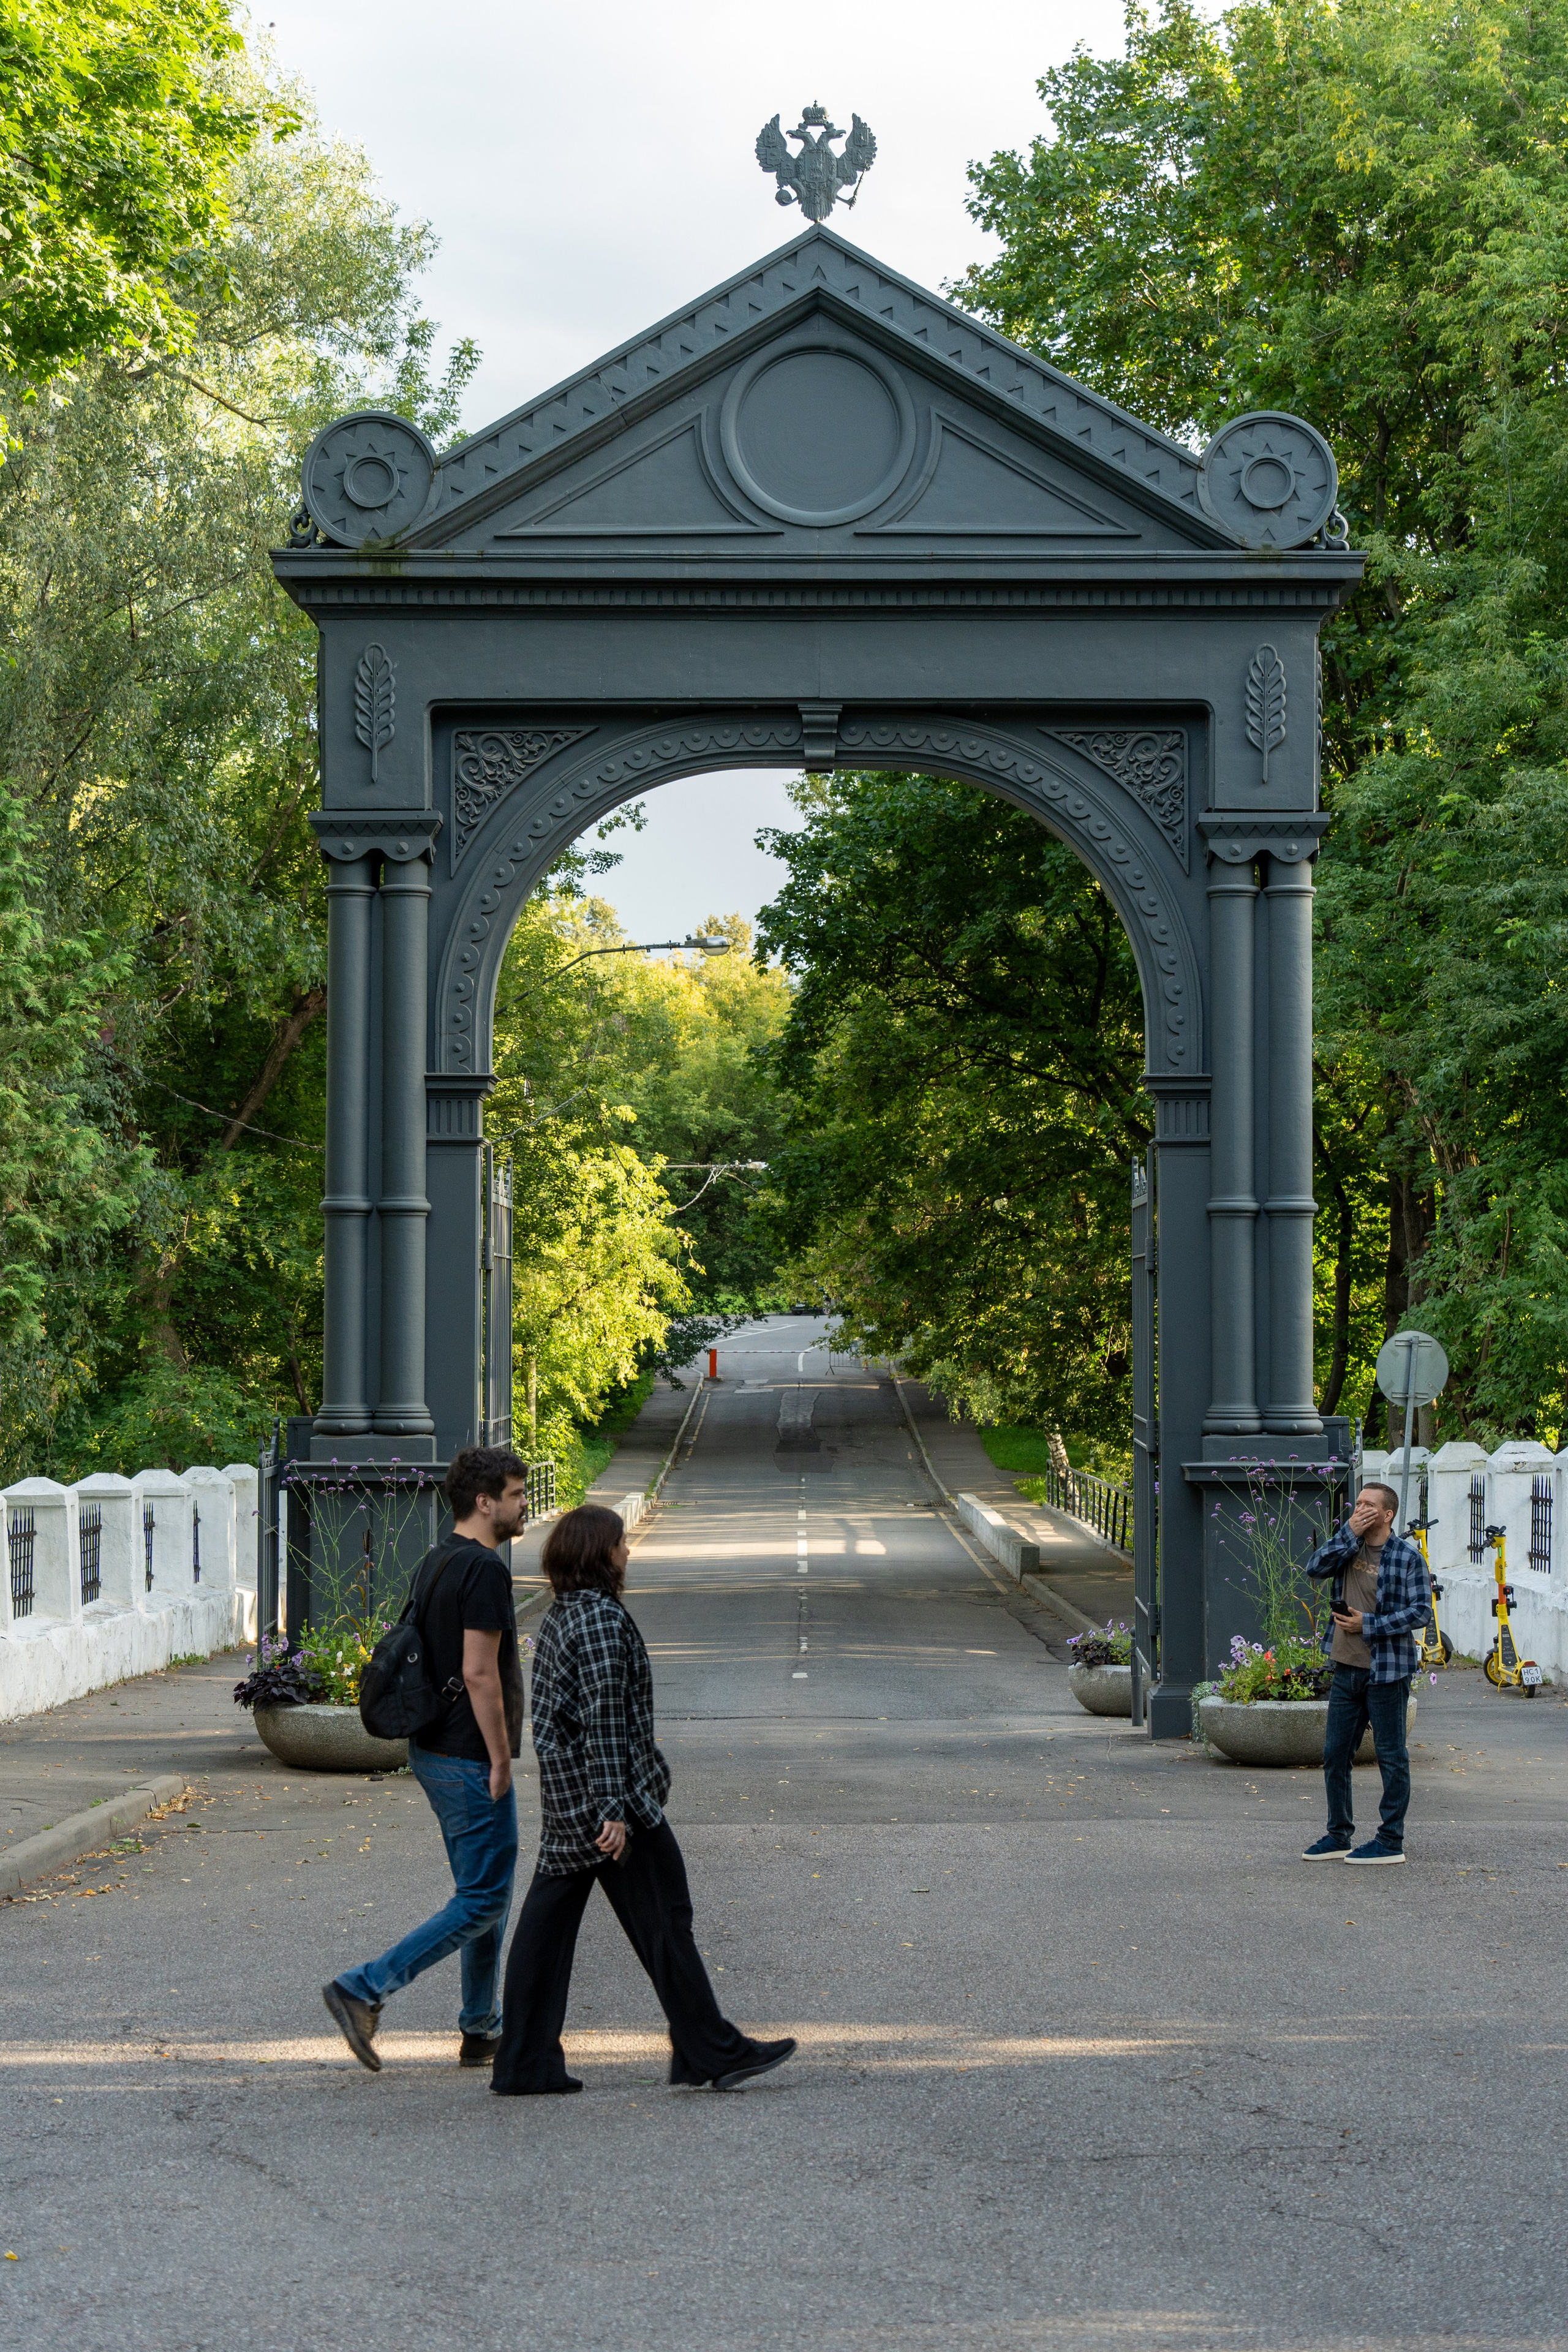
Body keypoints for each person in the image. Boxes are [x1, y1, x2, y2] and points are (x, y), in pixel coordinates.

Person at [491, 1503, 796, 2097]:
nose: (626, 1552)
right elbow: (602, 1720)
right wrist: (612, 1811)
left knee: (552, 1929)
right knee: (666, 1918)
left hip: (572, 1802)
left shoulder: (562, 1616)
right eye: (619, 1544)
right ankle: (710, 2050)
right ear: (597, 1555)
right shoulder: (601, 1620)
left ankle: (527, 2061)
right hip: (612, 1805)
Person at [323, 1446, 529, 2070]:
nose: (524, 1505)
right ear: (484, 1501)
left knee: (480, 1892)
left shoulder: (438, 1558)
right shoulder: (486, 1571)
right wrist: (499, 1758)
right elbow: (478, 1673)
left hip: (434, 1747)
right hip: (468, 1754)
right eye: (517, 1495)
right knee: (485, 1900)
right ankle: (364, 1987)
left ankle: (481, 2027)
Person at [1301, 1479, 1432, 1866]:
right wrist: (1349, 1531)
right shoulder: (1349, 1545)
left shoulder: (1408, 1557)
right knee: (1335, 1754)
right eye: (1357, 1504)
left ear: (1388, 1514)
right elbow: (1315, 1568)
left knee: (1392, 1757)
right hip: (1346, 1668)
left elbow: (1420, 1612)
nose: (1360, 1509)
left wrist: (1368, 1625)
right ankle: (1338, 1835)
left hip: (1387, 1672)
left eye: (1369, 1506)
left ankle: (1391, 1840)